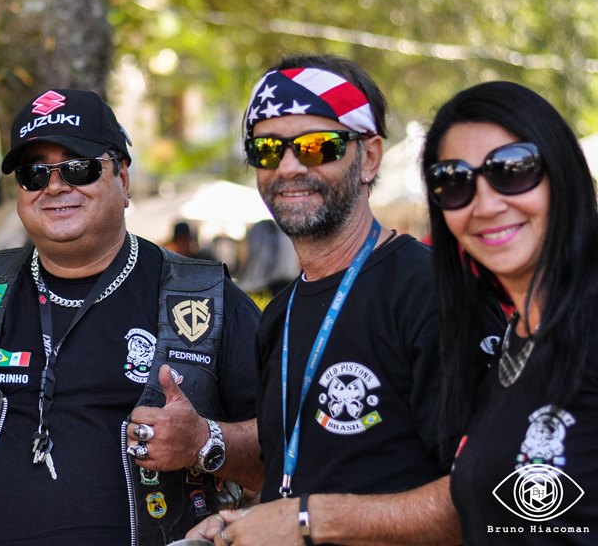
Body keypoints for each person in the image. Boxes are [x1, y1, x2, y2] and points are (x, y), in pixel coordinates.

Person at [0, 88, 262, 545]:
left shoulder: (205, 297)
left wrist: (204, 440)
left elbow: (284, 451)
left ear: (123, 177)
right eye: (33, 174)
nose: (55, 186)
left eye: (79, 167)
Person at [191, 53, 483, 545]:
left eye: (315, 147)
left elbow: (488, 496)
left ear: (369, 157)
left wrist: (307, 520)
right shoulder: (279, 315)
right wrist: (246, 521)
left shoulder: (431, 291)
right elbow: (296, 478)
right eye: (266, 150)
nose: (287, 167)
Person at [420, 81, 598, 542]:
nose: (485, 205)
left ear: (562, 172)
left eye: (512, 170)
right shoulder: (511, 337)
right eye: (453, 181)